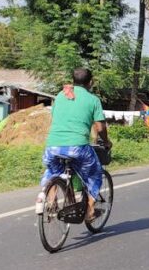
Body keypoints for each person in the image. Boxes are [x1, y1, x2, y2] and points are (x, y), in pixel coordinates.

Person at [37, 67, 112, 222]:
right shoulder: (93, 100)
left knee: (53, 170)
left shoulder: (60, 95)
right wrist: (106, 142)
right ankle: (90, 211)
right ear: (90, 82)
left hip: (52, 146)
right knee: (95, 173)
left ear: (73, 80)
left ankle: (51, 200)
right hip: (77, 147)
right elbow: (100, 127)